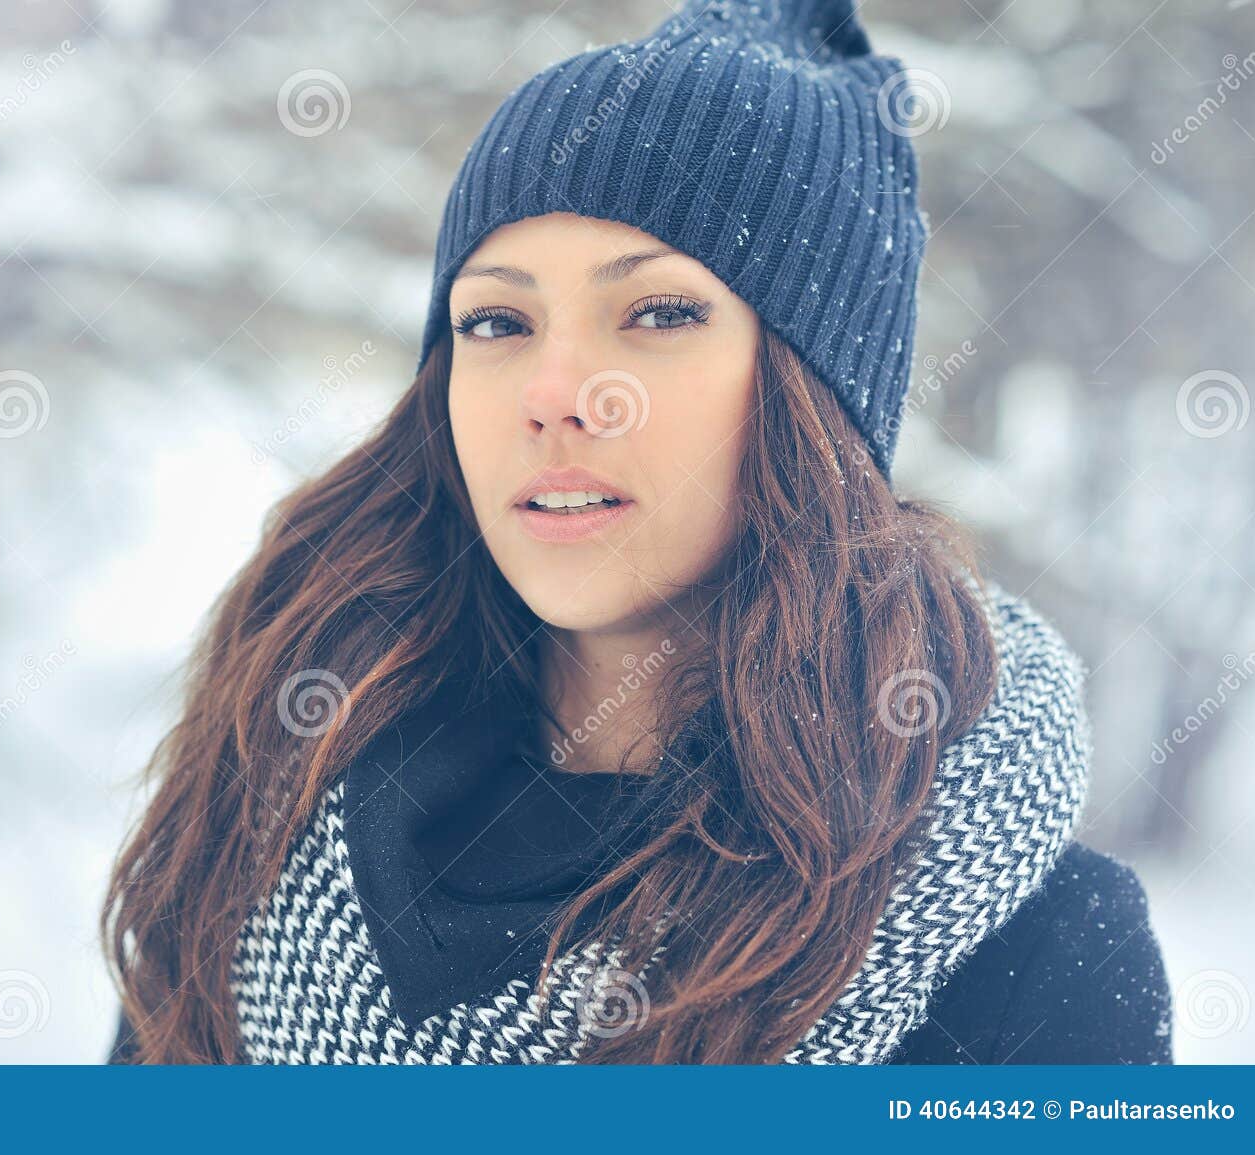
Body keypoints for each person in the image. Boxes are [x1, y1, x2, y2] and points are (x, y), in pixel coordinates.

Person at [102, 0, 1174, 1064]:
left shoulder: (1034, 948)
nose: (556, 393)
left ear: (818, 395)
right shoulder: (255, 824)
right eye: (497, 323)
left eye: (659, 313)